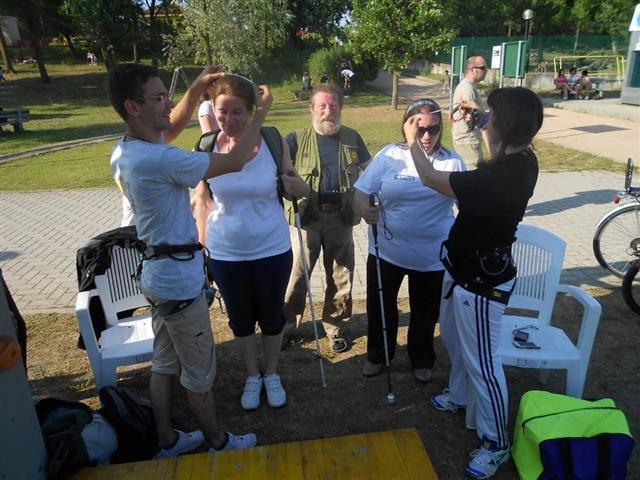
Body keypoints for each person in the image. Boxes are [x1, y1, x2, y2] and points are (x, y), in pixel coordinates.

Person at [107, 63, 271, 458]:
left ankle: (166, 440)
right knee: (199, 375)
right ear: (133, 106)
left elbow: (171, 125)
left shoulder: (126, 149)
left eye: (168, 94)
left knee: (164, 363)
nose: (168, 103)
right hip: (178, 281)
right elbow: (236, 160)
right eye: (159, 97)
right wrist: (262, 112)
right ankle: (218, 442)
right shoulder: (160, 160)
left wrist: (197, 87)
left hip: (156, 274)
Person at [403, 87, 543, 479]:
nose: (487, 120)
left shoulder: (499, 177)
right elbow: (493, 134)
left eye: (491, 115)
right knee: (455, 340)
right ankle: (460, 396)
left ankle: (496, 442)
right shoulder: (522, 157)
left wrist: (413, 139)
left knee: (484, 361)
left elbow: (430, 177)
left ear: (506, 124)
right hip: (463, 271)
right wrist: (478, 114)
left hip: (483, 282)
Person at [193, 75, 307, 411]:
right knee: (240, 320)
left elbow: (289, 181)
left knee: (272, 318)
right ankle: (251, 376)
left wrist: (297, 186)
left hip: (271, 248)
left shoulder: (272, 140)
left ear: (252, 110)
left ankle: (271, 374)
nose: (228, 120)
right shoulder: (206, 145)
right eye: (221, 112)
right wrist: (201, 246)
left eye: (237, 112)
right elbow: (203, 200)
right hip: (225, 252)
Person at [353, 99, 466, 382]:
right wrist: (363, 210)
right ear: (407, 127)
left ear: (442, 129)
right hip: (387, 252)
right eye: (419, 129)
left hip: (432, 256)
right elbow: (361, 189)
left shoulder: (452, 161)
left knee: (425, 313)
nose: (427, 136)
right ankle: (379, 355)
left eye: (434, 129)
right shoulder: (391, 154)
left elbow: (467, 204)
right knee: (380, 308)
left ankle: (422, 358)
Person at [281, 82, 372, 353]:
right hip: (307, 220)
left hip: (342, 220)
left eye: (333, 105)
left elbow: (371, 171)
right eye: (322, 105)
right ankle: (287, 327)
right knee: (298, 275)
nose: (327, 111)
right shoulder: (294, 139)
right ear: (312, 108)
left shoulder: (353, 138)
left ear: (341, 107)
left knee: (341, 276)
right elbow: (278, 174)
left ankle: (336, 327)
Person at [451, 56, 488, 166]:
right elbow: (472, 118)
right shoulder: (468, 88)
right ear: (472, 70)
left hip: (467, 139)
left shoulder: (468, 86)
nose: (486, 71)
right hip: (468, 139)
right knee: (474, 176)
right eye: (483, 68)